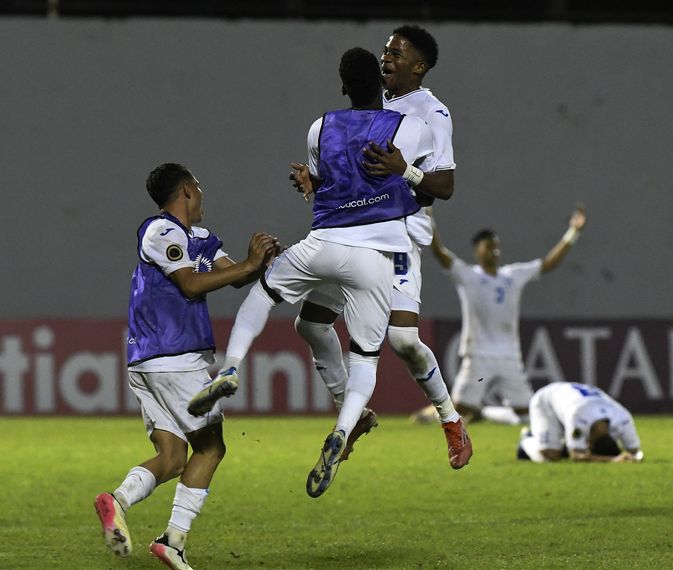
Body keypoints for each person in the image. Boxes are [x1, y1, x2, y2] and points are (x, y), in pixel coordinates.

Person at [189, 47, 445, 498]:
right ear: (383, 87)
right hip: (374, 258)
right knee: (364, 356)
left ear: (343, 86)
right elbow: (431, 184)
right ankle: (344, 429)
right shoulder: (414, 127)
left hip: (323, 245)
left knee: (263, 295)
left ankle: (230, 368)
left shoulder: (319, 127)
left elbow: (333, 179)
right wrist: (404, 172)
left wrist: (314, 183)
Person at [289, 24, 472, 470]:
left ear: (419, 66)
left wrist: (404, 170)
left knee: (404, 340)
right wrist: (317, 180)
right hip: (354, 233)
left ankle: (450, 421)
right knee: (310, 325)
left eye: (397, 52)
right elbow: (351, 172)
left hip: (398, 235)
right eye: (385, 50)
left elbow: (443, 186)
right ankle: (353, 415)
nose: (386, 57)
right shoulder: (373, 104)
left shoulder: (433, 113)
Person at [94, 163, 278, 569]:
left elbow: (231, 275)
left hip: (149, 361)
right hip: (174, 355)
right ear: (187, 191)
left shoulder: (200, 239)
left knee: (174, 456)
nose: (203, 193)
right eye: (199, 185)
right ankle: (172, 541)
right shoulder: (159, 231)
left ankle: (117, 500)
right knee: (211, 447)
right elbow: (191, 284)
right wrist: (248, 266)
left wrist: (260, 261)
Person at [423, 207, 587, 424]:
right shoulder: (469, 275)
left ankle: (484, 414)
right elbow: (440, 252)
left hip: (510, 356)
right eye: (489, 246)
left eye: (497, 246)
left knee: (529, 415)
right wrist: (429, 219)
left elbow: (548, 264)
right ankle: (430, 415)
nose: (494, 250)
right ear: (477, 251)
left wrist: (573, 232)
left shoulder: (513, 276)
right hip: (479, 355)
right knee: (457, 410)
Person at [517, 382, 643, 463]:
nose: (587, 446)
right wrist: (612, 460)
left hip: (573, 400)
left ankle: (560, 444)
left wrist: (632, 457)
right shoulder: (578, 416)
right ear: (591, 445)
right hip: (546, 400)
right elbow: (576, 455)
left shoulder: (624, 419)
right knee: (550, 456)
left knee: (567, 448)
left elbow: (635, 452)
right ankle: (527, 440)